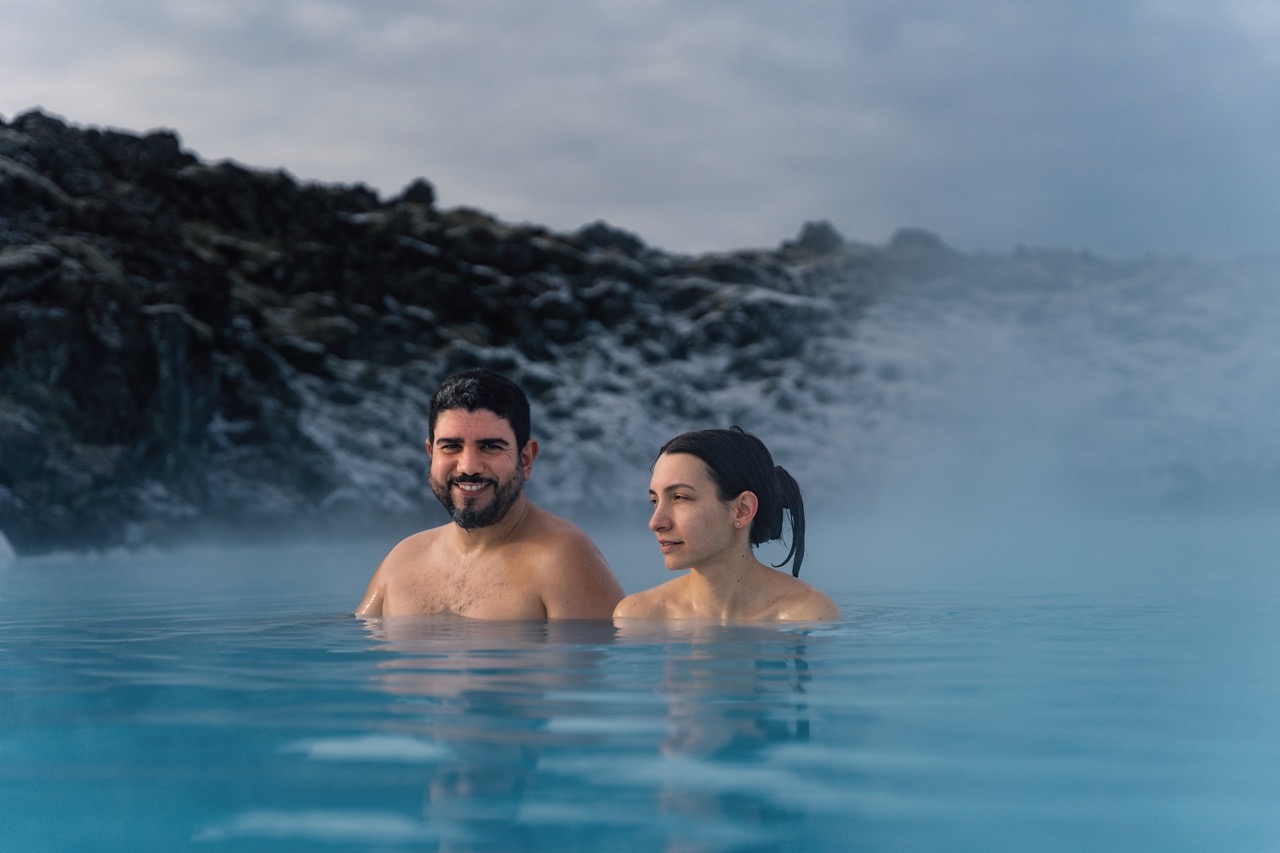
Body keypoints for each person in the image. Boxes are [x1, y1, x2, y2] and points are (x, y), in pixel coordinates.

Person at [356, 368, 623, 619]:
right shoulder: (403, 560)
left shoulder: (562, 562)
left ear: (526, 458)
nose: (469, 466)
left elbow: (603, 659)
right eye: (451, 446)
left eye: (491, 447)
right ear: (431, 454)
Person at [613, 427, 839, 622]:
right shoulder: (638, 617)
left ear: (742, 509)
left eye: (680, 497)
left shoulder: (806, 615)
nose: (656, 523)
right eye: (655, 501)